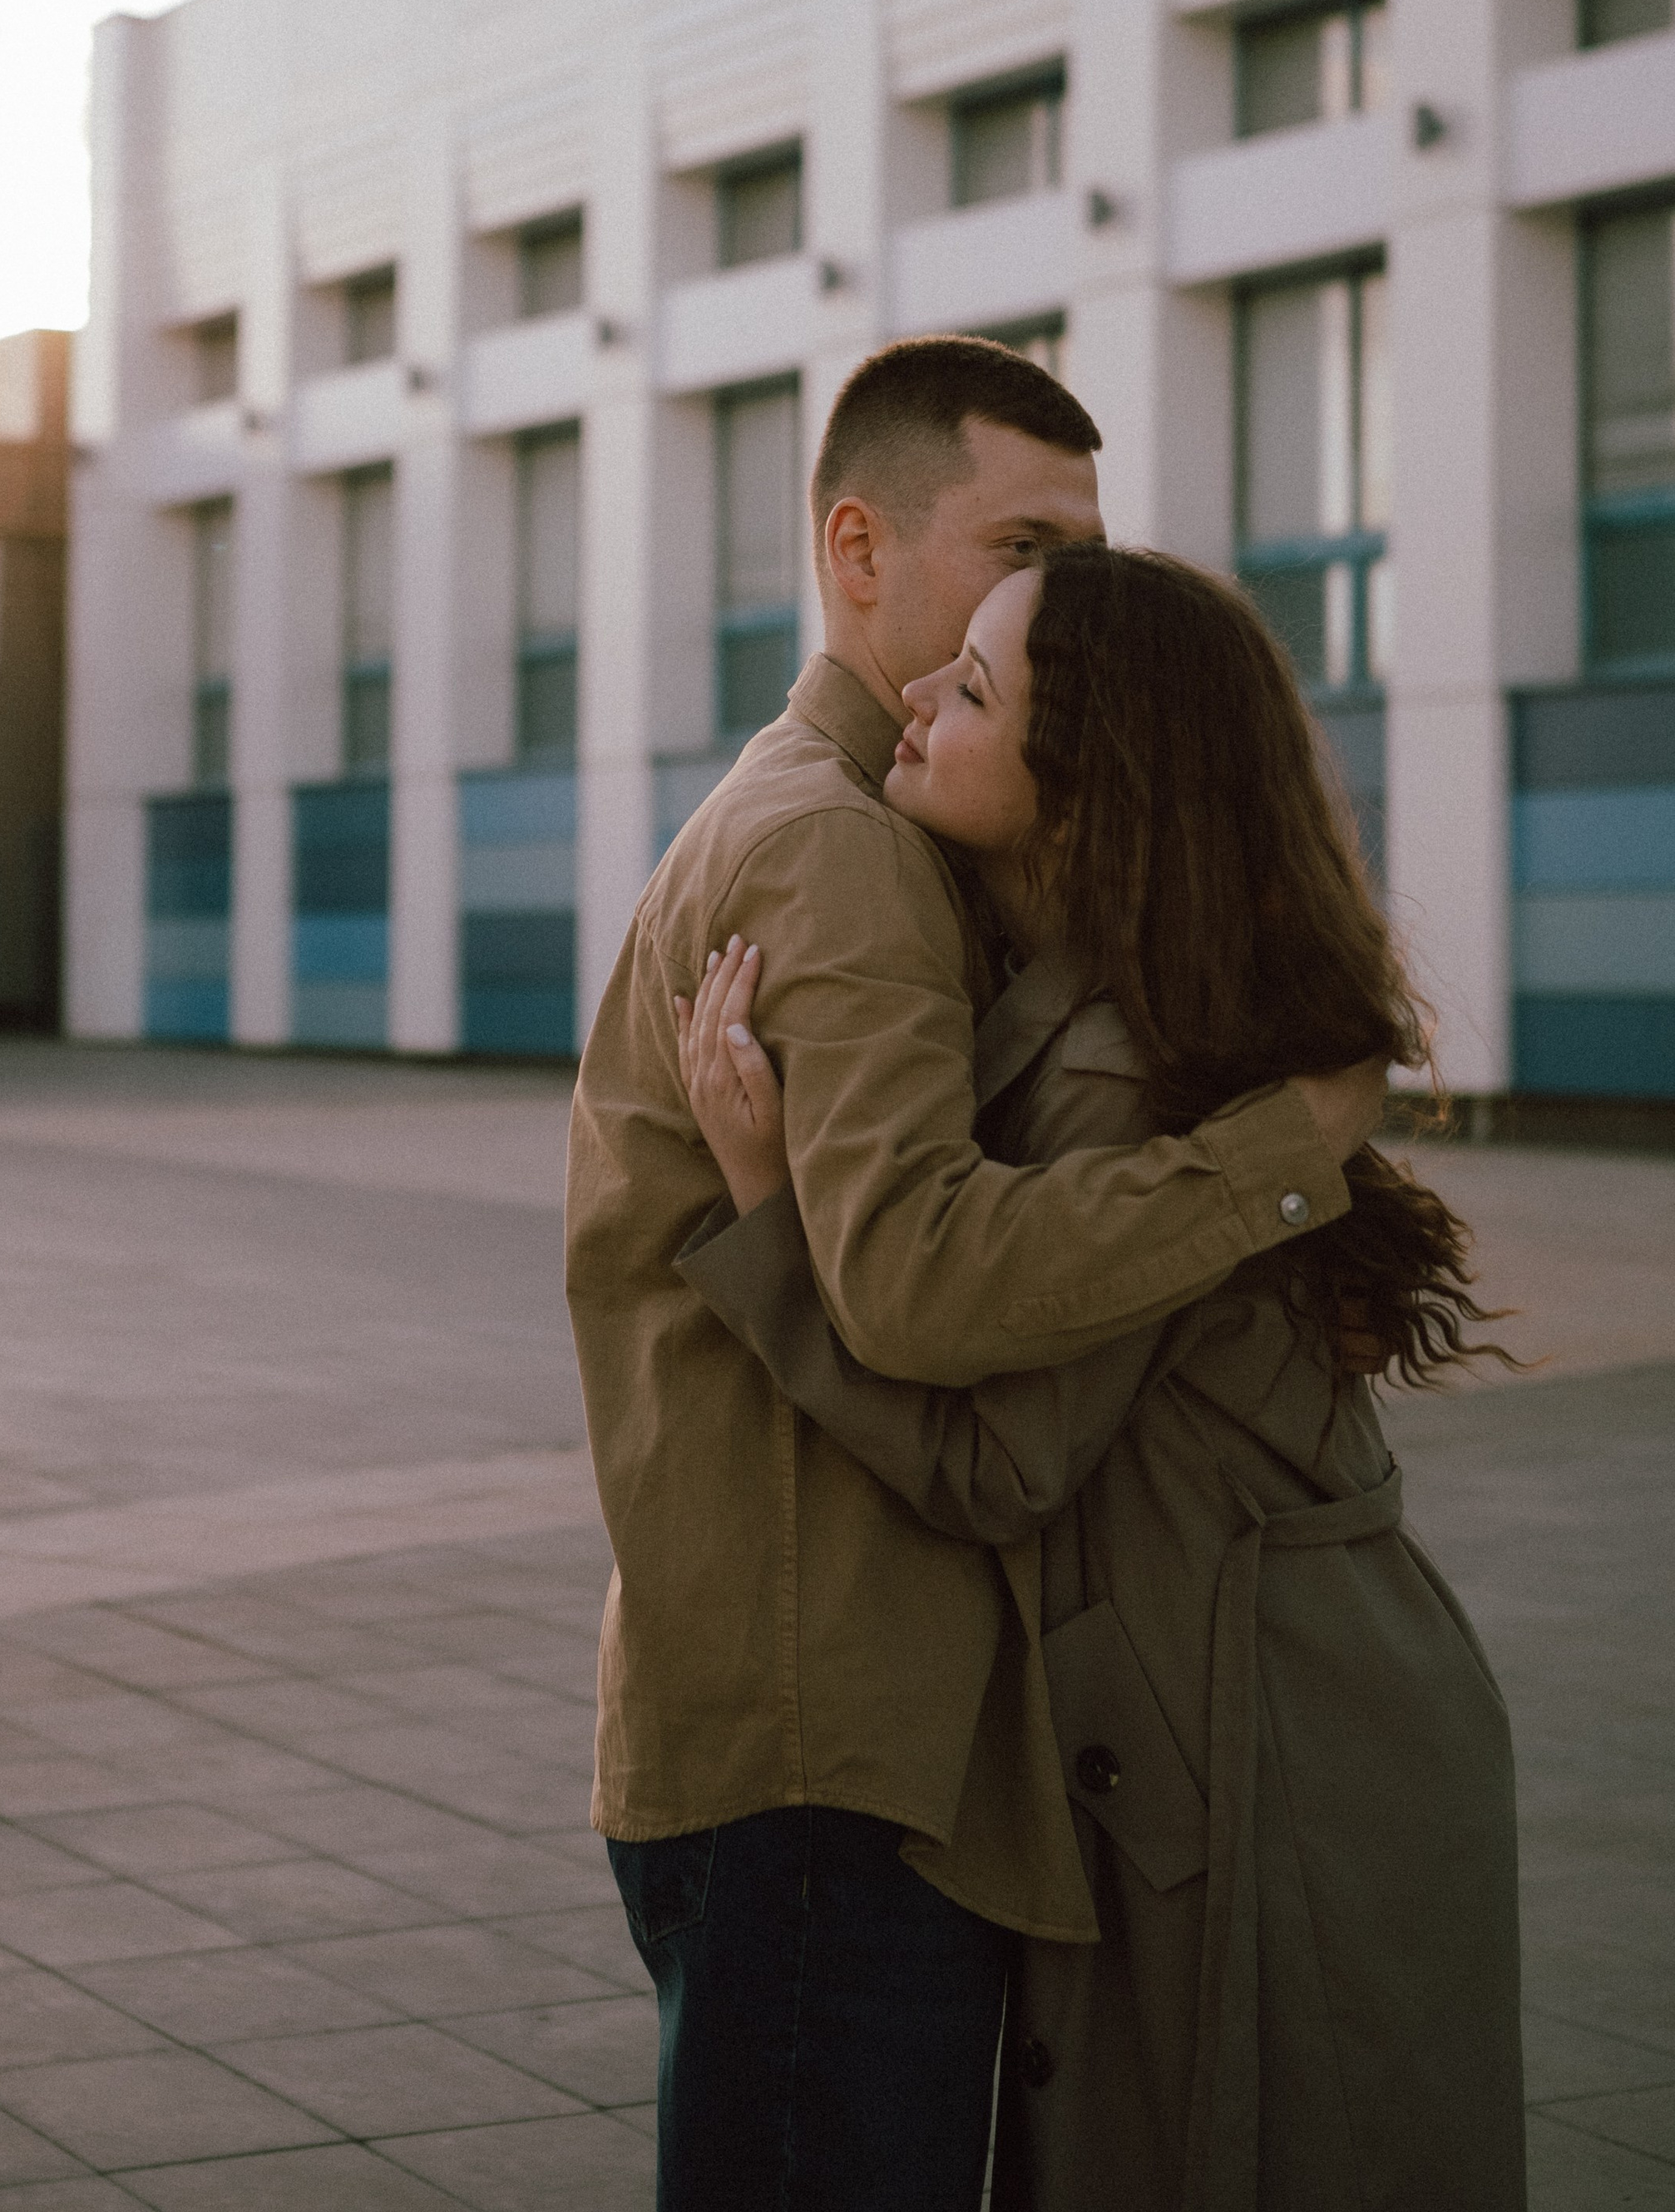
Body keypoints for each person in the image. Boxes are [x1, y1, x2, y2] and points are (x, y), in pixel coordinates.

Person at [566, 335, 1391, 2212]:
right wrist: (1274, 1153)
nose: (1054, 600)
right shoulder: (835, 855)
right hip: (828, 1746)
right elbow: (922, 1282)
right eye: (1016, 548)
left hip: (822, 1727)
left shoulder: (860, 832)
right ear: (857, 548)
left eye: (1076, 555)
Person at [674, 541, 1526, 2212]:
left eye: (974, 689)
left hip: (1269, 1758)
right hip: (1286, 1714)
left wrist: (773, 1214)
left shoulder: (1121, 1060)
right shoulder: (1115, 1003)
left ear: (1087, 787)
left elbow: (992, 1464)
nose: (915, 695)